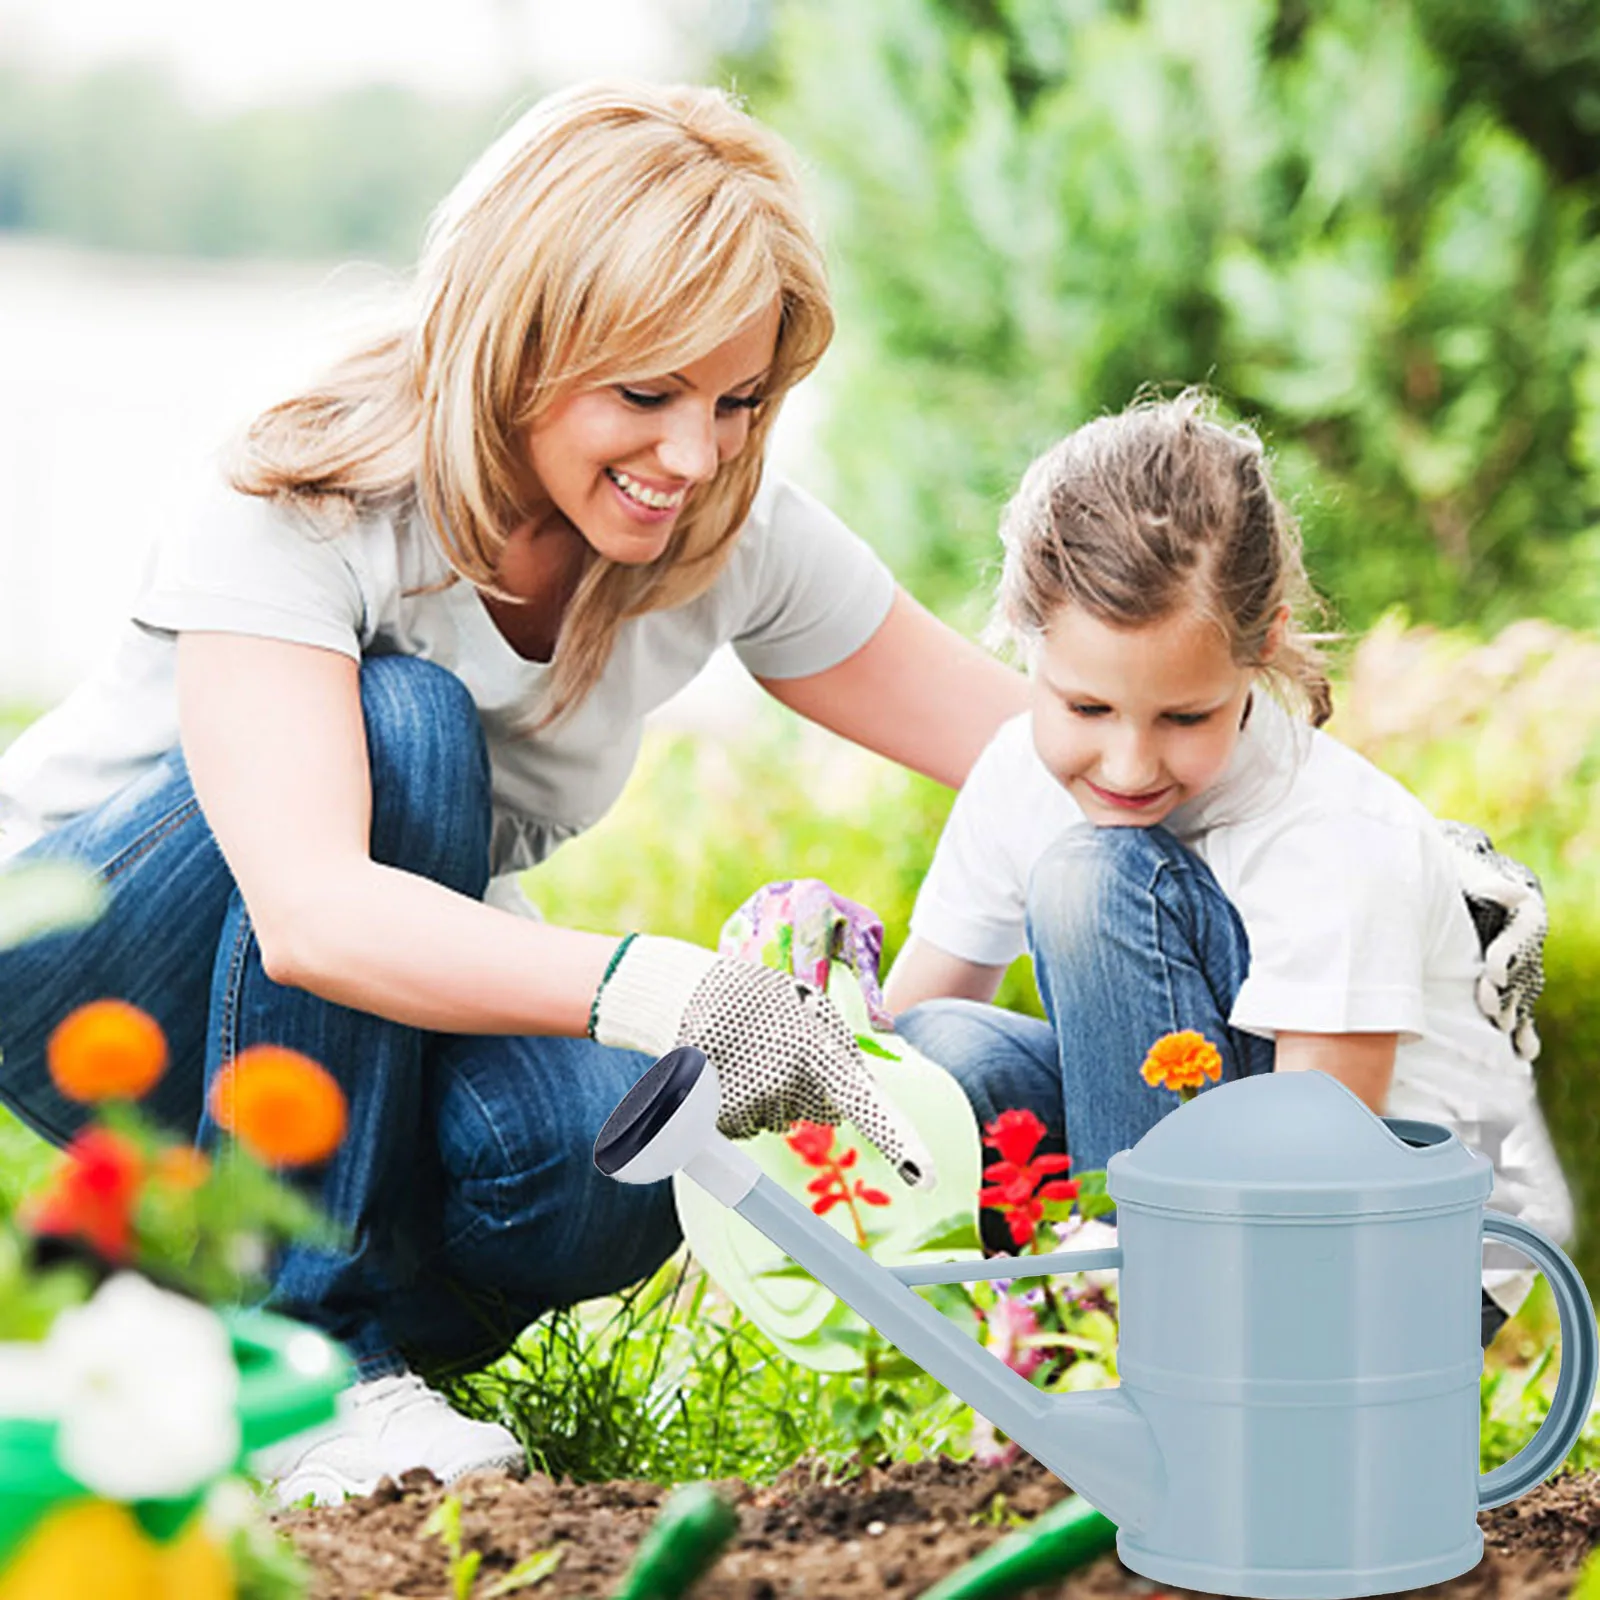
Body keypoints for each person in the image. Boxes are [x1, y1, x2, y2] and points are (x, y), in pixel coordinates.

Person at [0, 82, 1027, 1504]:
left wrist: (1315, 821)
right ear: (519, 343)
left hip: (342, 1030)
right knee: (409, 726)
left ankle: (248, 1320)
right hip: (87, 963)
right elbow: (312, 912)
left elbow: (1041, 750)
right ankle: (306, 1365)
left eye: (736, 400)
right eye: (646, 393)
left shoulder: (721, 526)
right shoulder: (308, 491)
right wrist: (674, 987)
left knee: (622, 1153)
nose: (694, 453)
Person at [887, 391, 1573, 1351]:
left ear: (1262, 648)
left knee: (1094, 879)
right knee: (938, 1053)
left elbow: (1319, 1167)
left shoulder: (1337, 840)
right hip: (1205, 1173)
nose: (1129, 766)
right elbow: (893, 1047)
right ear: (1022, 633)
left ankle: (1145, 1334)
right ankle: (1067, 1322)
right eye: (1086, 708)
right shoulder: (1017, 774)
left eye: (1184, 717)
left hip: (1395, 1255)